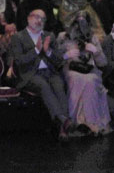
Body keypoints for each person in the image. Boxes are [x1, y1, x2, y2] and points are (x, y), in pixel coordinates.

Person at [9, 8, 71, 139]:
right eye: (36, 17)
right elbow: (19, 61)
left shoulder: (49, 35)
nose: (39, 21)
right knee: (43, 85)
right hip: (30, 74)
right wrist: (36, 50)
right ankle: (63, 119)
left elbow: (59, 60)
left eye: (42, 19)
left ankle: (62, 129)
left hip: (49, 71)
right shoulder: (18, 37)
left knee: (59, 84)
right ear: (28, 18)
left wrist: (48, 52)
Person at [56, 10, 110, 135]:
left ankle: (90, 122)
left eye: (84, 21)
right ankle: (76, 121)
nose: (80, 24)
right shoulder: (63, 36)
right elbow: (54, 58)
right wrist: (66, 55)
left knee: (90, 80)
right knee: (76, 78)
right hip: (70, 68)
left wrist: (95, 51)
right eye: (78, 20)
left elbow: (103, 63)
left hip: (89, 69)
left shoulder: (92, 38)